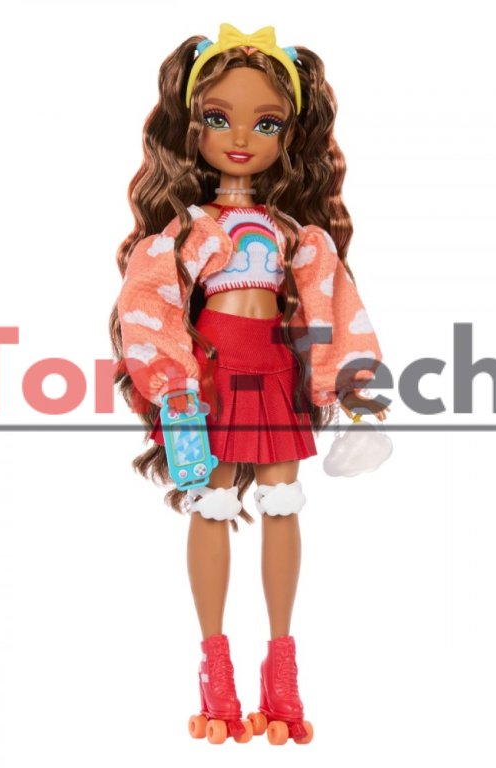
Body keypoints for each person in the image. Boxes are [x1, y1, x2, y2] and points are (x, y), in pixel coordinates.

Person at [109, 23, 388, 745]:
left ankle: (282, 666)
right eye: (218, 118)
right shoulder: (185, 233)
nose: (241, 138)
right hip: (211, 375)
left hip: (274, 373)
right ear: (189, 127)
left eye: (266, 123)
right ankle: (216, 669)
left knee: (282, 506)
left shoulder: (298, 235)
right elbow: (150, 308)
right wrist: (174, 388)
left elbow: (333, 307)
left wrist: (353, 390)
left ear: (289, 135)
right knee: (212, 505)